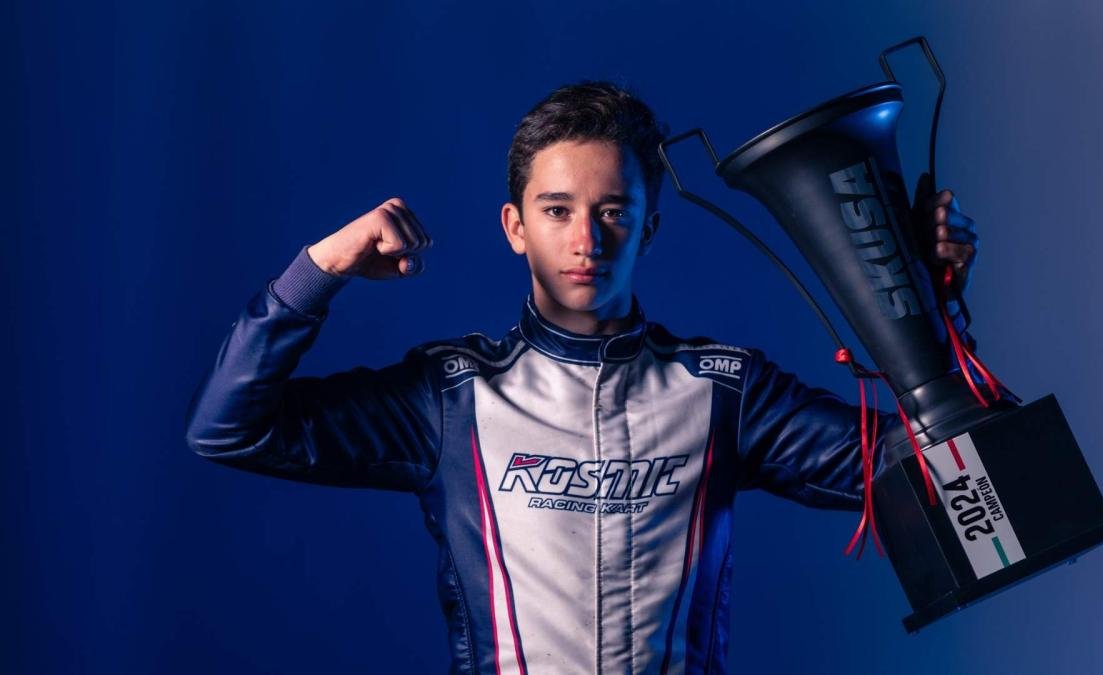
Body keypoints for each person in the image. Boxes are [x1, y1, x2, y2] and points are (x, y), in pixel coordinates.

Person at [184, 80, 980, 674]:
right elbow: (228, 428)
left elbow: (964, 481)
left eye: (613, 212)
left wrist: (925, 308)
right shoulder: (450, 396)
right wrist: (320, 268)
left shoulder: (725, 392)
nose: (586, 241)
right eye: (558, 210)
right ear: (515, 226)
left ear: (649, 228)